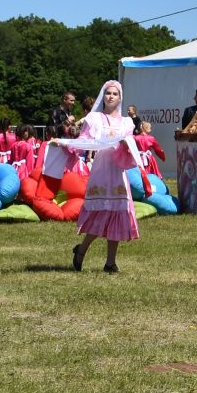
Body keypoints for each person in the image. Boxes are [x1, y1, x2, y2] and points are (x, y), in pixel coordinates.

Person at [71, 80, 139, 274]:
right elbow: (84, 140)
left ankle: (110, 262)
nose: (111, 96)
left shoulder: (127, 122)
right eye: (108, 93)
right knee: (100, 213)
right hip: (101, 169)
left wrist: (127, 145)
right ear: (103, 96)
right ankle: (82, 249)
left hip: (118, 170)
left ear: (120, 98)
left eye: (115, 94)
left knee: (117, 212)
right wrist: (67, 145)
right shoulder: (94, 119)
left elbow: (130, 142)